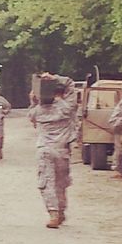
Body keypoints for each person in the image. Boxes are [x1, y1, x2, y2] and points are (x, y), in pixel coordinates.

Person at [28, 73, 80, 228]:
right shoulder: (67, 108)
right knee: (61, 184)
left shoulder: (38, 110)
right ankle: (61, 211)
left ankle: (53, 213)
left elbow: (31, 113)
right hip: (62, 151)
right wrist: (54, 78)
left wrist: (34, 98)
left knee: (47, 182)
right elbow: (70, 83)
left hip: (45, 149)